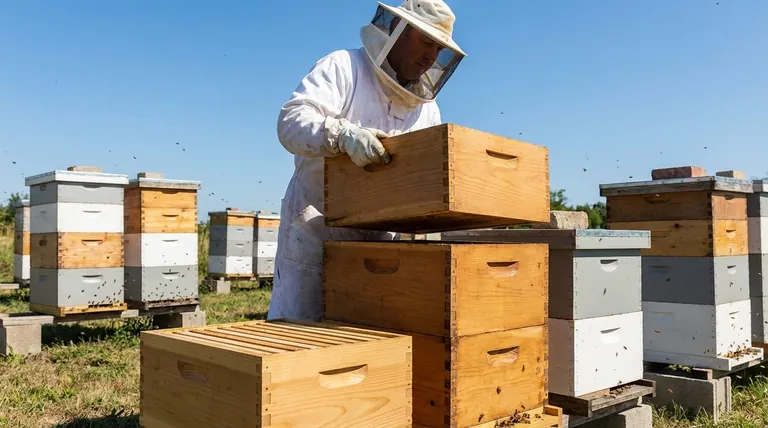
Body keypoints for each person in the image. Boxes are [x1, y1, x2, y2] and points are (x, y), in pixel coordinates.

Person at [268, 0, 467, 322]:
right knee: (300, 338)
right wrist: (342, 135)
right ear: (398, 32)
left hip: (382, 243)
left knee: (365, 348)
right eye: (426, 41)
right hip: (317, 232)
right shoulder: (344, 67)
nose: (432, 56)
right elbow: (291, 123)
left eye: (439, 48)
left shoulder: (427, 109)